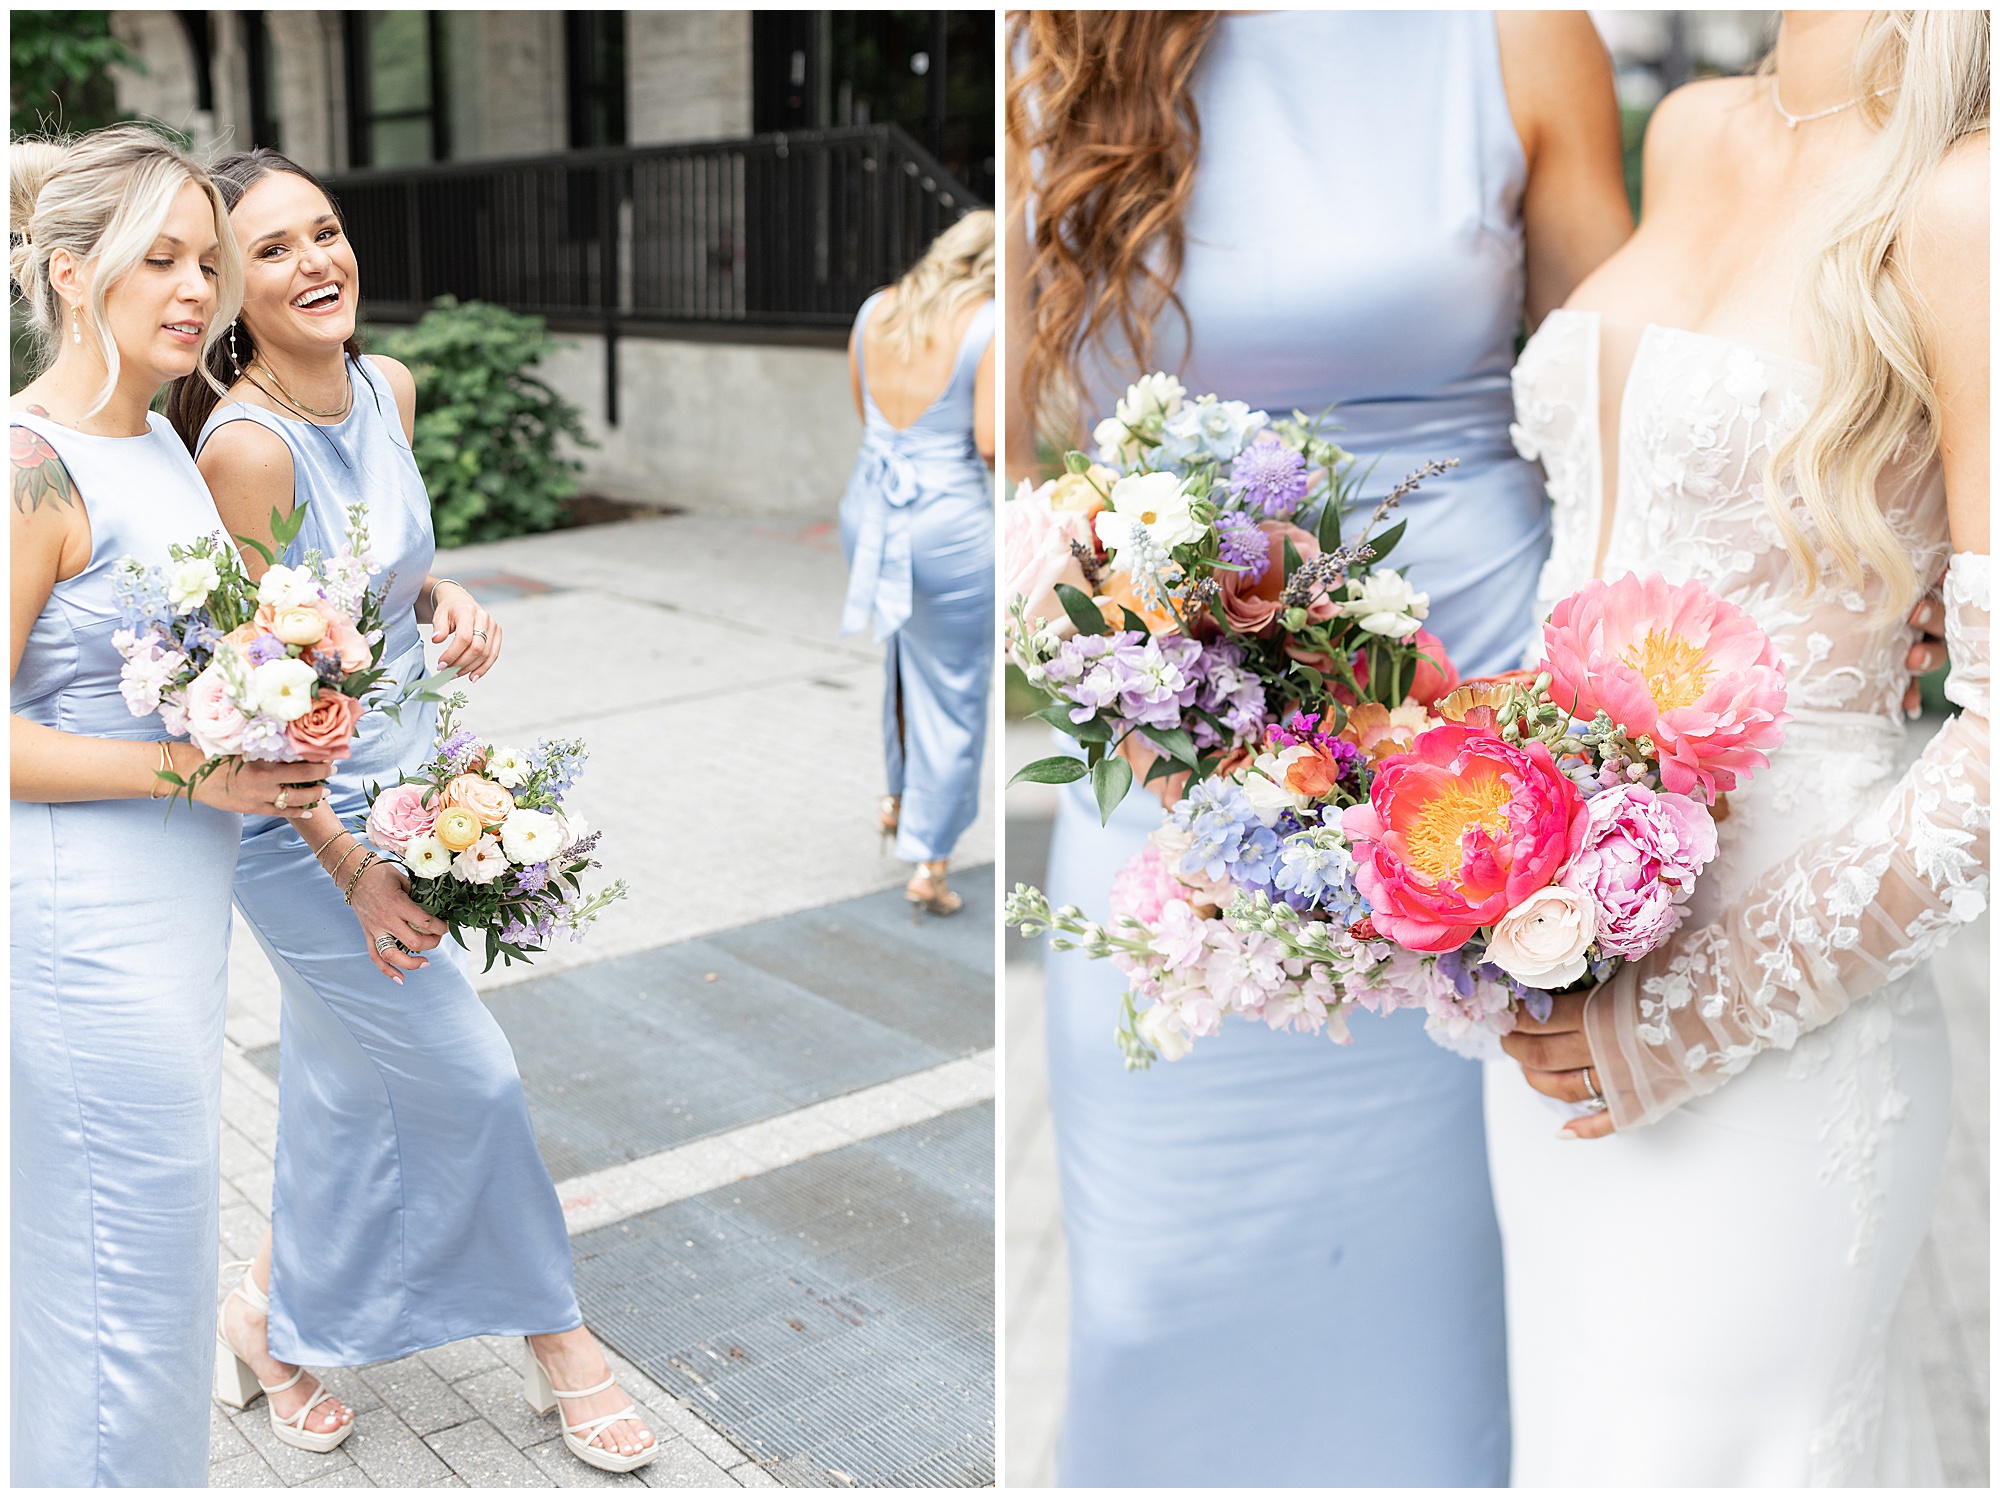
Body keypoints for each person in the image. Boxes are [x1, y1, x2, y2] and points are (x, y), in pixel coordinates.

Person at [1007, 11, 1632, 1483]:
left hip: (1478, 784)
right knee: (1161, 1293)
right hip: (1174, 770)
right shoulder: (1054, 48)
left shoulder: (1520, 35)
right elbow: (1016, 438)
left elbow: (1629, 416)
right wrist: (1096, 597)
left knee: (1442, 1305)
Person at [1491, 9, 1987, 1483]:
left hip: (1774, 1014)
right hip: (1552, 976)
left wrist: (1691, 1017)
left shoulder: (1968, 195)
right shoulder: (1698, 124)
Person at [164, 149, 656, 1473]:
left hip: (418, 785)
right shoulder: (249, 449)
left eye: (324, 231)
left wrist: (439, 604)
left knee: (340, 1083)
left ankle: (266, 1319)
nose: (317, 261)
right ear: (224, 294)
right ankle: (562, 1338)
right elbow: (255, 689)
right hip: (301, 828)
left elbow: (373, 582)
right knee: (468, 1074)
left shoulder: (390, 383)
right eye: (271, 249)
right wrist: (349, 860)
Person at [10, 125, 332, 1486]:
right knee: (121, 1283)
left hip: (173, 922)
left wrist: (293, 703)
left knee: (147, 1263)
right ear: (73, 276)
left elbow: (196, 680)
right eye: (163, 259)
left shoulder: (155, 441)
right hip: (85, 935)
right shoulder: (33, 468)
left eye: (207, 258)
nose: (199, 288)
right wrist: (195, 769)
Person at [840, 209, 997, 916]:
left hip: (870, 510)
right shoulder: (989, 323)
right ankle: (929, 862)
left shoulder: (877, 309)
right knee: (955, 688)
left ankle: (898, 799)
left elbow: (863, 410)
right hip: (947, 525)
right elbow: (991, 442)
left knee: (905, 660)